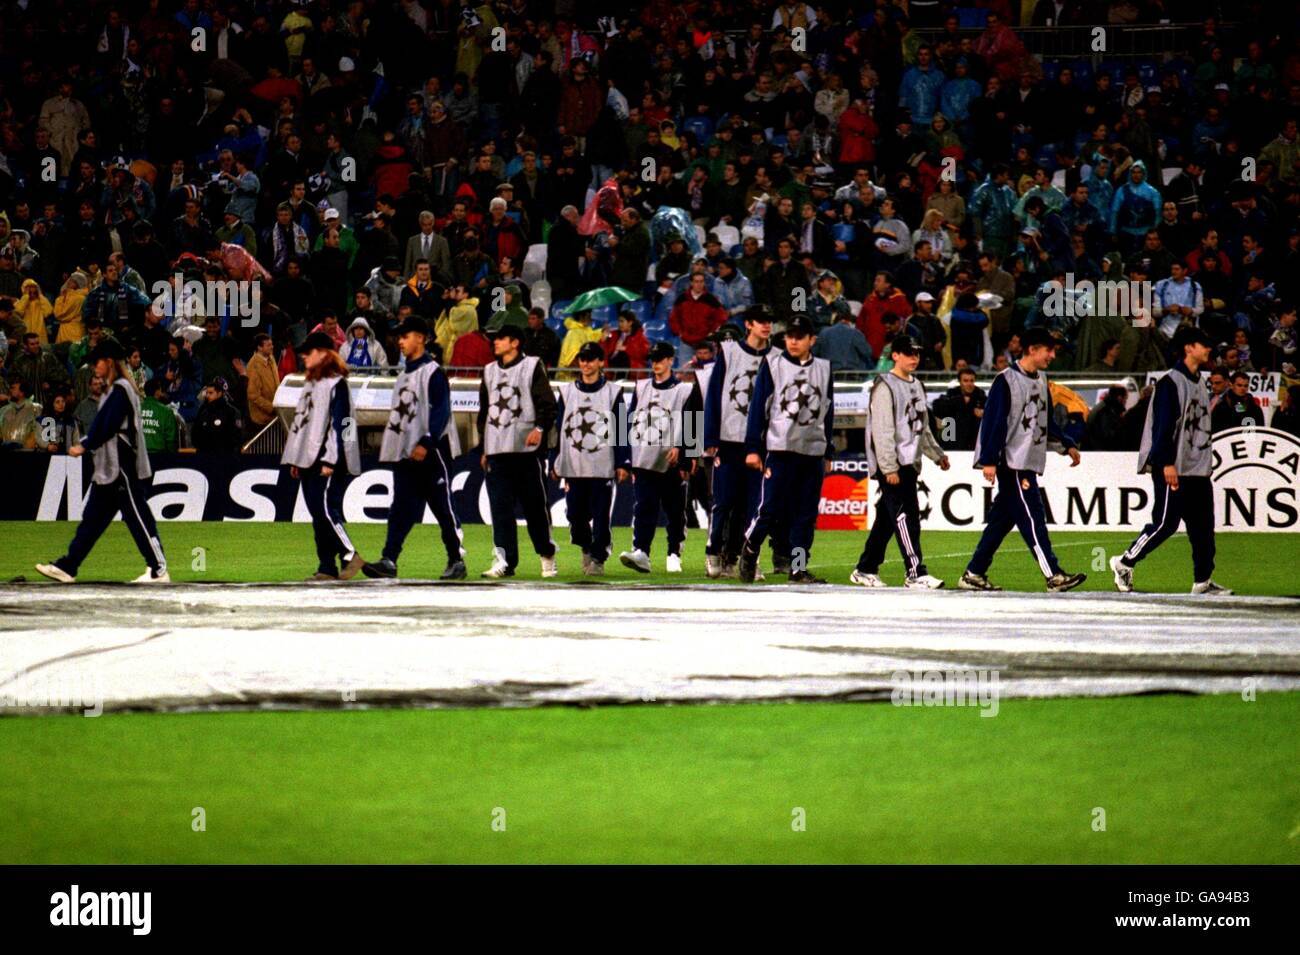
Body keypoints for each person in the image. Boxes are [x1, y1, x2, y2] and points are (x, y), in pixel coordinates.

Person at [959, 327, 1087, 593]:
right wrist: (990, 460)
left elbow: (1046, 420)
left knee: (1001, 521)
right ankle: (1053, 573)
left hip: (1026, 459)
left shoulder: (1041, 379)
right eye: (1048, 350)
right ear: (1032, 350)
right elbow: (994, 422)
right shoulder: (1005, 380)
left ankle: (974, 572)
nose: (1052, 355)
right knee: (1033, 516)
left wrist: (1066, 444)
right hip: (1012, 462)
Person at [36, 338, 168, 584]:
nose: (94, 367)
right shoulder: (113, 390)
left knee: (137, 516)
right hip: (108, 468)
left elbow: (108, 424)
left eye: (97, 362)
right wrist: (88, 442)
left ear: (108, 362)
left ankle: (158, 568)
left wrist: (85, 444)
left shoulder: (121, 389)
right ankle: (68, 566)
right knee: (93, 520)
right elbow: (102, 424)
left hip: (123, 465)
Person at [1111, 327, 1230, 595]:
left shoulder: (1199, 381)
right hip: (1173, 467)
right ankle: (1124, 561)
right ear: (1189, 347)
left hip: (1196, 468)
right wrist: (1166, 463)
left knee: (1203, 528)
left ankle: (1203, 581)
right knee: (1165, 523)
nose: (1208, 349)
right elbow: (1162, 428)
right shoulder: (1170, 382)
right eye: (1203, 344)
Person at [363, 316, 465, 581]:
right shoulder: (404, 375)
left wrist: (426, 443)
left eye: (405, 336)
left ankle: (456, 559)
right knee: (401, 508)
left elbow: (441, 410)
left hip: (431, 453)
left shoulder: (433, 372)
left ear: (421, 337)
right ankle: (389, 559)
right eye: (400, 337)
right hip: (407, 454)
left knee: (443, 507)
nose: (401, 341)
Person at [737, 315, 835, 585]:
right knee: (770, 509)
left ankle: (798, 568)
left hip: (812, 451)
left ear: (811, 340)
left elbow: (828, 411)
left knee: (805, 514)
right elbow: (758, 408)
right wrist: (753, 448)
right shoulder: (773, 365)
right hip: (780, 448)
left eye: (799, 336)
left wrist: (828, 450)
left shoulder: (824, 369)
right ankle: (751, 546)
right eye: (789, 336)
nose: (792, 341)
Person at [851, 335, 951, 588]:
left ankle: (865, 568)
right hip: (894, 465)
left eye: (916, 353)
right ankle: (915, 572)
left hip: (910, 463)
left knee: (887, 520)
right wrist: (888, 467)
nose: (914, 358)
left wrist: (936, 454)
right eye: (908, 353)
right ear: (894, 355)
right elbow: (882, 431)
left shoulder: (916, 384)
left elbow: (922, 426)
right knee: (906, 517)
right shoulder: (885, 385)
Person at [703, 306, 785, 578]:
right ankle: (713, 551)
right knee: (723, 501)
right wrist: (709, 437)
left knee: (755, 505)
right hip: (729, 438)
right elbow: (713, 396)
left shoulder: (776, 357)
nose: (766, 325)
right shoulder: (728, 353)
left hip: (761, 444)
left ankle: (748, 558)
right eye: (761, 321)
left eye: (769, 321)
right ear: (748, 324)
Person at [281, 332, 366, 581]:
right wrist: (296, 458)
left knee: (325, 510)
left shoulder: (336, 384)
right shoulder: (310, 384)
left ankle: (350, 555)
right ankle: (327, 566)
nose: (304, 355)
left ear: (324, 353)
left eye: (310, 351)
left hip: (327, 459)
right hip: (308, 458)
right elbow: (301, 423)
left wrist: (333, 458)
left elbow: (343, 423)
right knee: (319, 515)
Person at [478, 324, 558, 578]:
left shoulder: (532, 366)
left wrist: (540, 429)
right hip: (497, 453)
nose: (495, 343)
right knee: (500, 509)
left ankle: (546, 554)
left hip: (527, 452)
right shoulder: (489, 371)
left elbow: (548, 403)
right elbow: (484, 412)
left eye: (500, 338)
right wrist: (485, 447)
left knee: (535, 509)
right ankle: (505, 560)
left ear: (515, 342)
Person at [619, 341, 702, 573]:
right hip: (644, 457)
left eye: (660, 359)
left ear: (670, 360)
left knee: (675, 511)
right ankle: (641, 551)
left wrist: (687, 455)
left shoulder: (685, 390)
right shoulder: (641, 387)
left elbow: (693, 421)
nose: (655, 364)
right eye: (653, 359)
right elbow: (630, 420)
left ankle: (674, 552)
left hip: (672, 461)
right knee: (644, 506)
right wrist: (627, 456)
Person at [551, 342, 630, 575]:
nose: (586, 364)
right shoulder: (566, 393)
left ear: (600, 362)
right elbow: (558, 428)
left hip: (602, 465)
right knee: (575, 516)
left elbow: (622, 428)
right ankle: (586, 547)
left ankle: (598, 556)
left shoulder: (613, 392)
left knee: (601, 515)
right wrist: (555, 459)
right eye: (583, 359)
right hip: (574, 465)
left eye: (591, 359)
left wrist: (622, 462)